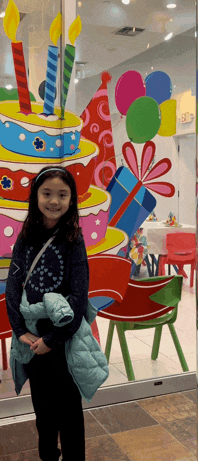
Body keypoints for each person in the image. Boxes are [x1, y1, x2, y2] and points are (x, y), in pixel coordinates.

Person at [6, 166, 88, 461]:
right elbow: (13, 285)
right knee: (42, 407)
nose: (54, 201)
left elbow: (79, 298)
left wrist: (53, 339)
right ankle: (47, 456)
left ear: (71, 199)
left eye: (62, 195)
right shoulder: (25, 236)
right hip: (31, 336)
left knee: (69, 407)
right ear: (36, 196)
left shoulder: (74, 239)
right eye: (47, 193)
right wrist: (19, 330)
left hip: (63, 340)